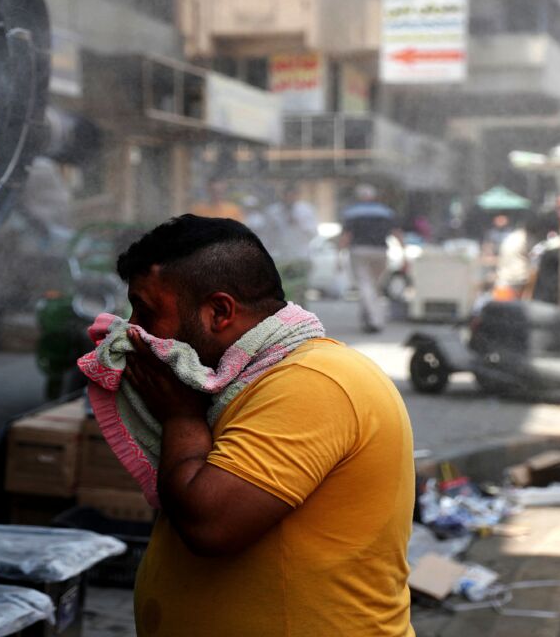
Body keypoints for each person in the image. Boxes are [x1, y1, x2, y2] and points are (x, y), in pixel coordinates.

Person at [116, 215, 414, 636]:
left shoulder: (314, 381)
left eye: (146, 311)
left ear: (219, 311)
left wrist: (180, 416)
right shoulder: (248, 380)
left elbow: (209, 525)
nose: (134, 330)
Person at [340, 184, 402, 333]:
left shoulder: (352, 213)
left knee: (365, 286)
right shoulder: (385, 212)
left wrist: (339, 254)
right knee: (374, 287)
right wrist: (403, 252)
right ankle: (369, 317)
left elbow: (346, 236)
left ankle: (375, 320)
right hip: (380, 251)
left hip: (359, 251)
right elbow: (397, 232)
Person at [262, 182, 319, 304]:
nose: (289, 198)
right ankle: (287, 319)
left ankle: (301, 319)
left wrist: (299, 223)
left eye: (292, 195)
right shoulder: (273, 212)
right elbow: (267, 236)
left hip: (300, 257)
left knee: (300, 291)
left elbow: (313, 233)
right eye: (286, 195)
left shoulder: (306, 210)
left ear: (297, 195)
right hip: (280, 258)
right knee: (283, 291)